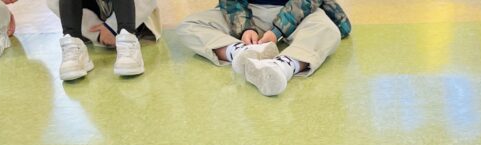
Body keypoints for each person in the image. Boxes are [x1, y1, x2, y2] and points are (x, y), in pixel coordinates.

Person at [177, 0, 350, 97]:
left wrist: (277, 32)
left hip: (298, 13)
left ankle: (282, 66)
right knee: (189, 25)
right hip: (250, 12)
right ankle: (240, 52)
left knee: (327, 30)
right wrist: (245, 28)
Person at [52, 0, 159, 80]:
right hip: (92, 24)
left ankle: (127, 38)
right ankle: (74, 44)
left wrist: (112, 27)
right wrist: (94, 32)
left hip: (136, 23)